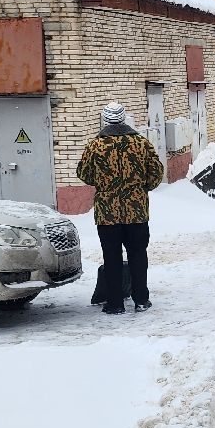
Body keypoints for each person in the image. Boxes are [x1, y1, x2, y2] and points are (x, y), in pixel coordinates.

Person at [76, 101, 163, 314]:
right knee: (138, 255)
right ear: (124, 119)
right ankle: (141, 299)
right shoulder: (142, 144)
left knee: (111, 257)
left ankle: (115, 304)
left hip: (107, 214)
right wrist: (141, 190)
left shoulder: (95, 146)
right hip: (137, 212)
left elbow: (84, 174)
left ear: (105, 120)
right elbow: (156, 173)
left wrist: (104, 184)